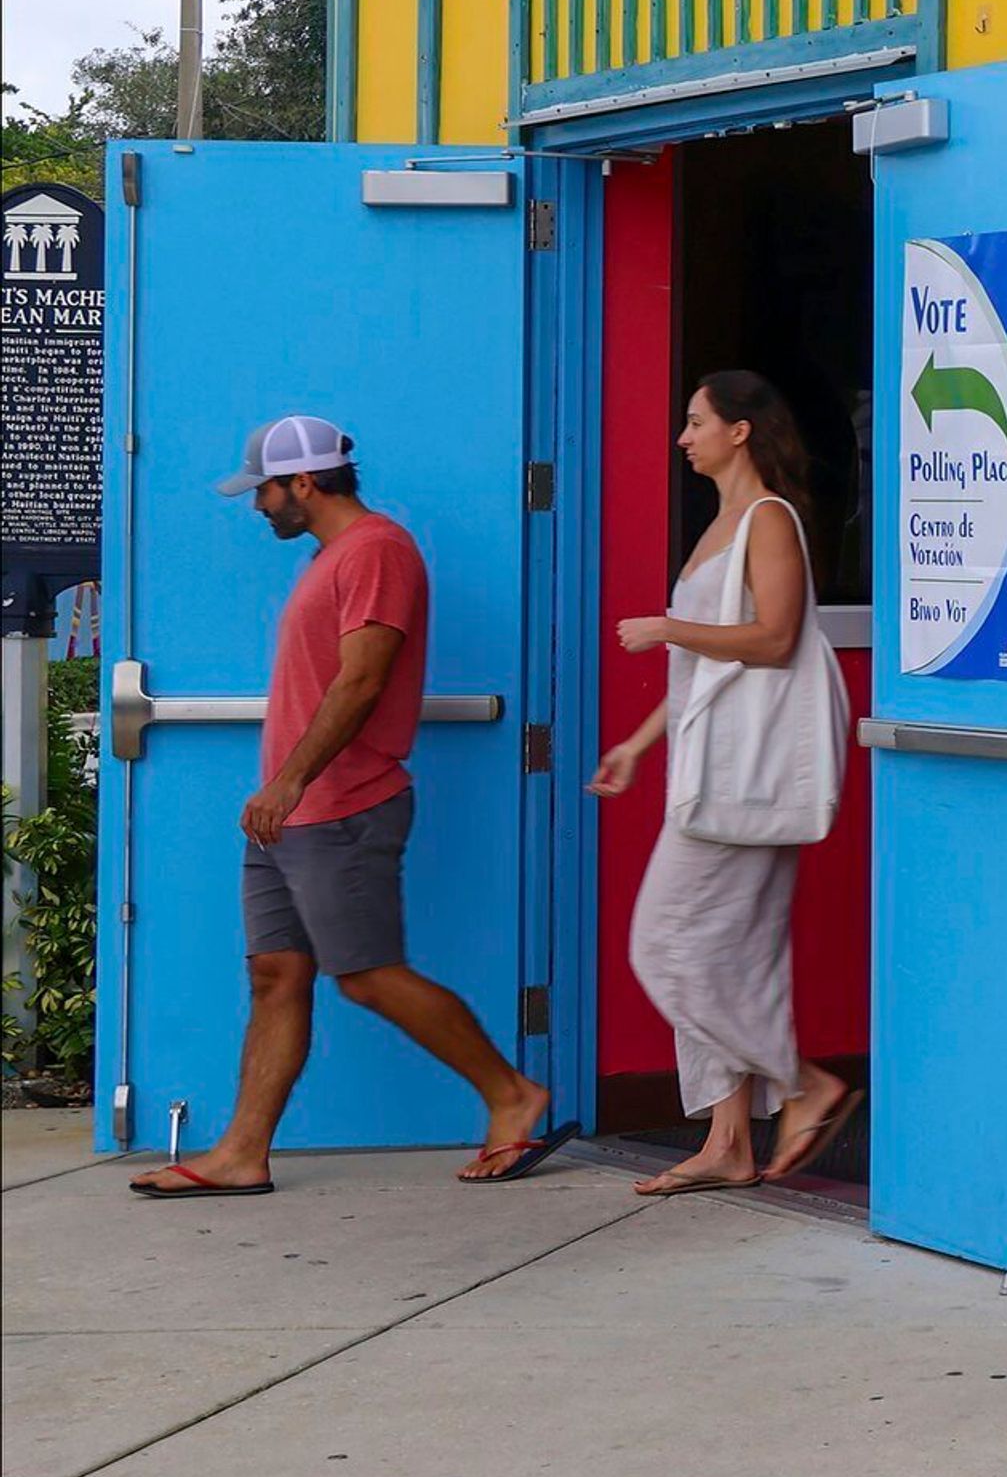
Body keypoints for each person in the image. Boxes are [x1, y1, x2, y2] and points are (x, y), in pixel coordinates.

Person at [131, 416, 571, 1198]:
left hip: (340, 805)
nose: (256, 504)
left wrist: (291, 781)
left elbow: (364, 679)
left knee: (366, 976)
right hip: (288, 814)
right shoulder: (335, 557)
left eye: (262, 488)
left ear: (304, 483)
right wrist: (283, 792)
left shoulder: (376, 551)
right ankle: (241, 1153)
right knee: (275, 973)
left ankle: (513, 1094)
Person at [588, 371, 858, 1195]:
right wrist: (637, 745)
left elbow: (774, 639)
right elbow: (704, 669)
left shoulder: (767, 519)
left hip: (744, 774)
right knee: (732, 954)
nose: (683, 437)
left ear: (739, 432)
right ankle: (728, 1141)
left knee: (664, 947)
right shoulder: (721, 525)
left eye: (696, 422)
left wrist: (670, 625)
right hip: (713, 765)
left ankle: (807, 1082)